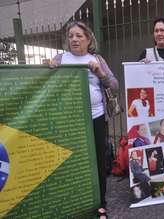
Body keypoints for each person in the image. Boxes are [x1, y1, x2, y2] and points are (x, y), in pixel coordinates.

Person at [48, 21, 118, 218]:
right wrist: (49, 68)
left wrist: (101, 74)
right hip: (69, 120)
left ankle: (100, 204)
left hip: (96, 118)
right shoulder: (60, 59)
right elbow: (47, 87)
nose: (74, 39)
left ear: (88, 39)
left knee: (98, 160)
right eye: (71, 36)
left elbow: (114, 86)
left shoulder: (97, 59)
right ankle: (74, 201)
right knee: (71, 160)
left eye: (79, 36)